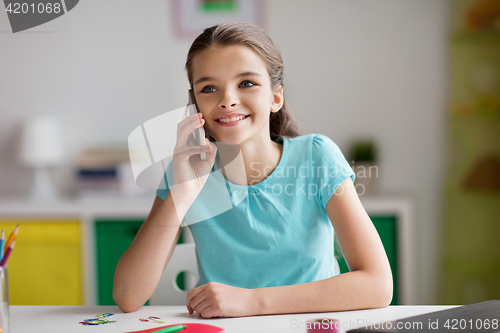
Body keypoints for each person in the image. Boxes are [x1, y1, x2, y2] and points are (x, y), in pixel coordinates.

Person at [113, 22, 393, 318]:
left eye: (246, 83)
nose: (227, 100)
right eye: (209, 88)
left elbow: (377, 285)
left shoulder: (316, 157)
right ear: (194, 106)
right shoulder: (186, 171)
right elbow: (128, 297)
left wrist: (252, 302)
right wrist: (182, 194)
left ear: (275, 98)